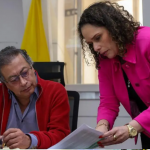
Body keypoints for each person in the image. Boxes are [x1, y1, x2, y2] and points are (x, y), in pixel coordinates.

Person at [78, 1, 150, 149]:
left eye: (98, 38)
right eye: (91, 43)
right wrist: (101, 128)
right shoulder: (105, 60)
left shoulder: (147, 41)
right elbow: (108, 102)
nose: (96, 48)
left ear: (114, 27)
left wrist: (131, 128)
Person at [0, 46, 70, 149]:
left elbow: (61, 136)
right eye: (14, 79)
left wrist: (29, 140)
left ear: (32, 68)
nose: (23, 82)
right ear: (6, 84)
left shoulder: (55, 91)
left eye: (25, 73)